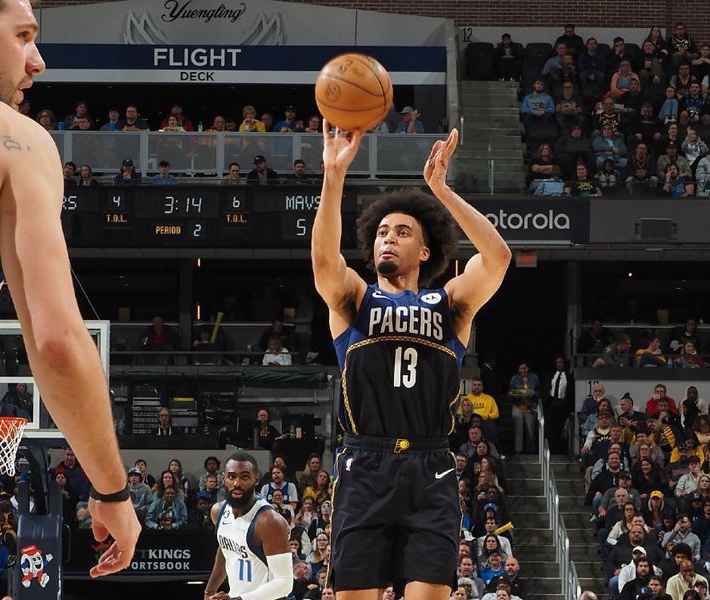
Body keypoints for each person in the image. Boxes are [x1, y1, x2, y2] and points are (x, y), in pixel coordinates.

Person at [0, 0, 139, 578]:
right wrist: (112, 492)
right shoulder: (9, 136)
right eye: (23, 36)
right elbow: (57, 341)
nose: (37, 61)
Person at [311, 121, 510, 600]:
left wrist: (441, 191)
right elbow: (322, 261)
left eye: (402, 232)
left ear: (424, 250)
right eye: (382, 232)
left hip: (431, 466)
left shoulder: (450, 304)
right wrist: (333, 175)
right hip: (364, 460)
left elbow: (498, 256)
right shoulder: (355, 299)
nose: (388, 239)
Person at [205, 452, 293, 600]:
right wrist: (209, 592)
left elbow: (284, 583)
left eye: (244, 477)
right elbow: (225, 550)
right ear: (224, 478)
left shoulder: (269, 522)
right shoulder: (218, 511)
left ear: (256, 479)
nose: (237, 483)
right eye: (232, 476)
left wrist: (240, 599)